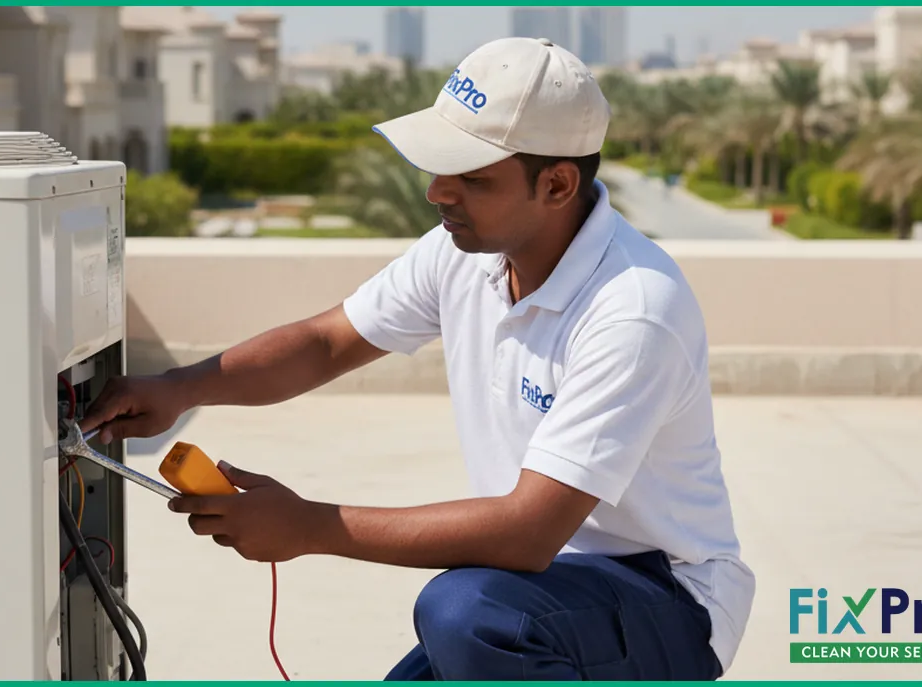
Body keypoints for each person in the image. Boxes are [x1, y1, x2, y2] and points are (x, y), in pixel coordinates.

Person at [80, 36, 755, 682]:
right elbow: (326, 343)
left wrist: (308, 525)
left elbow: (527, 532)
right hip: (533, 592)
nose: (437, 192)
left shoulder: (633, 308)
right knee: (471, 611)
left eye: (470, 177)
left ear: (555, 185)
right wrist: (177, 388)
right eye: (438, 166)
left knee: (460, 612)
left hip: (662, 597)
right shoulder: (467, 254)